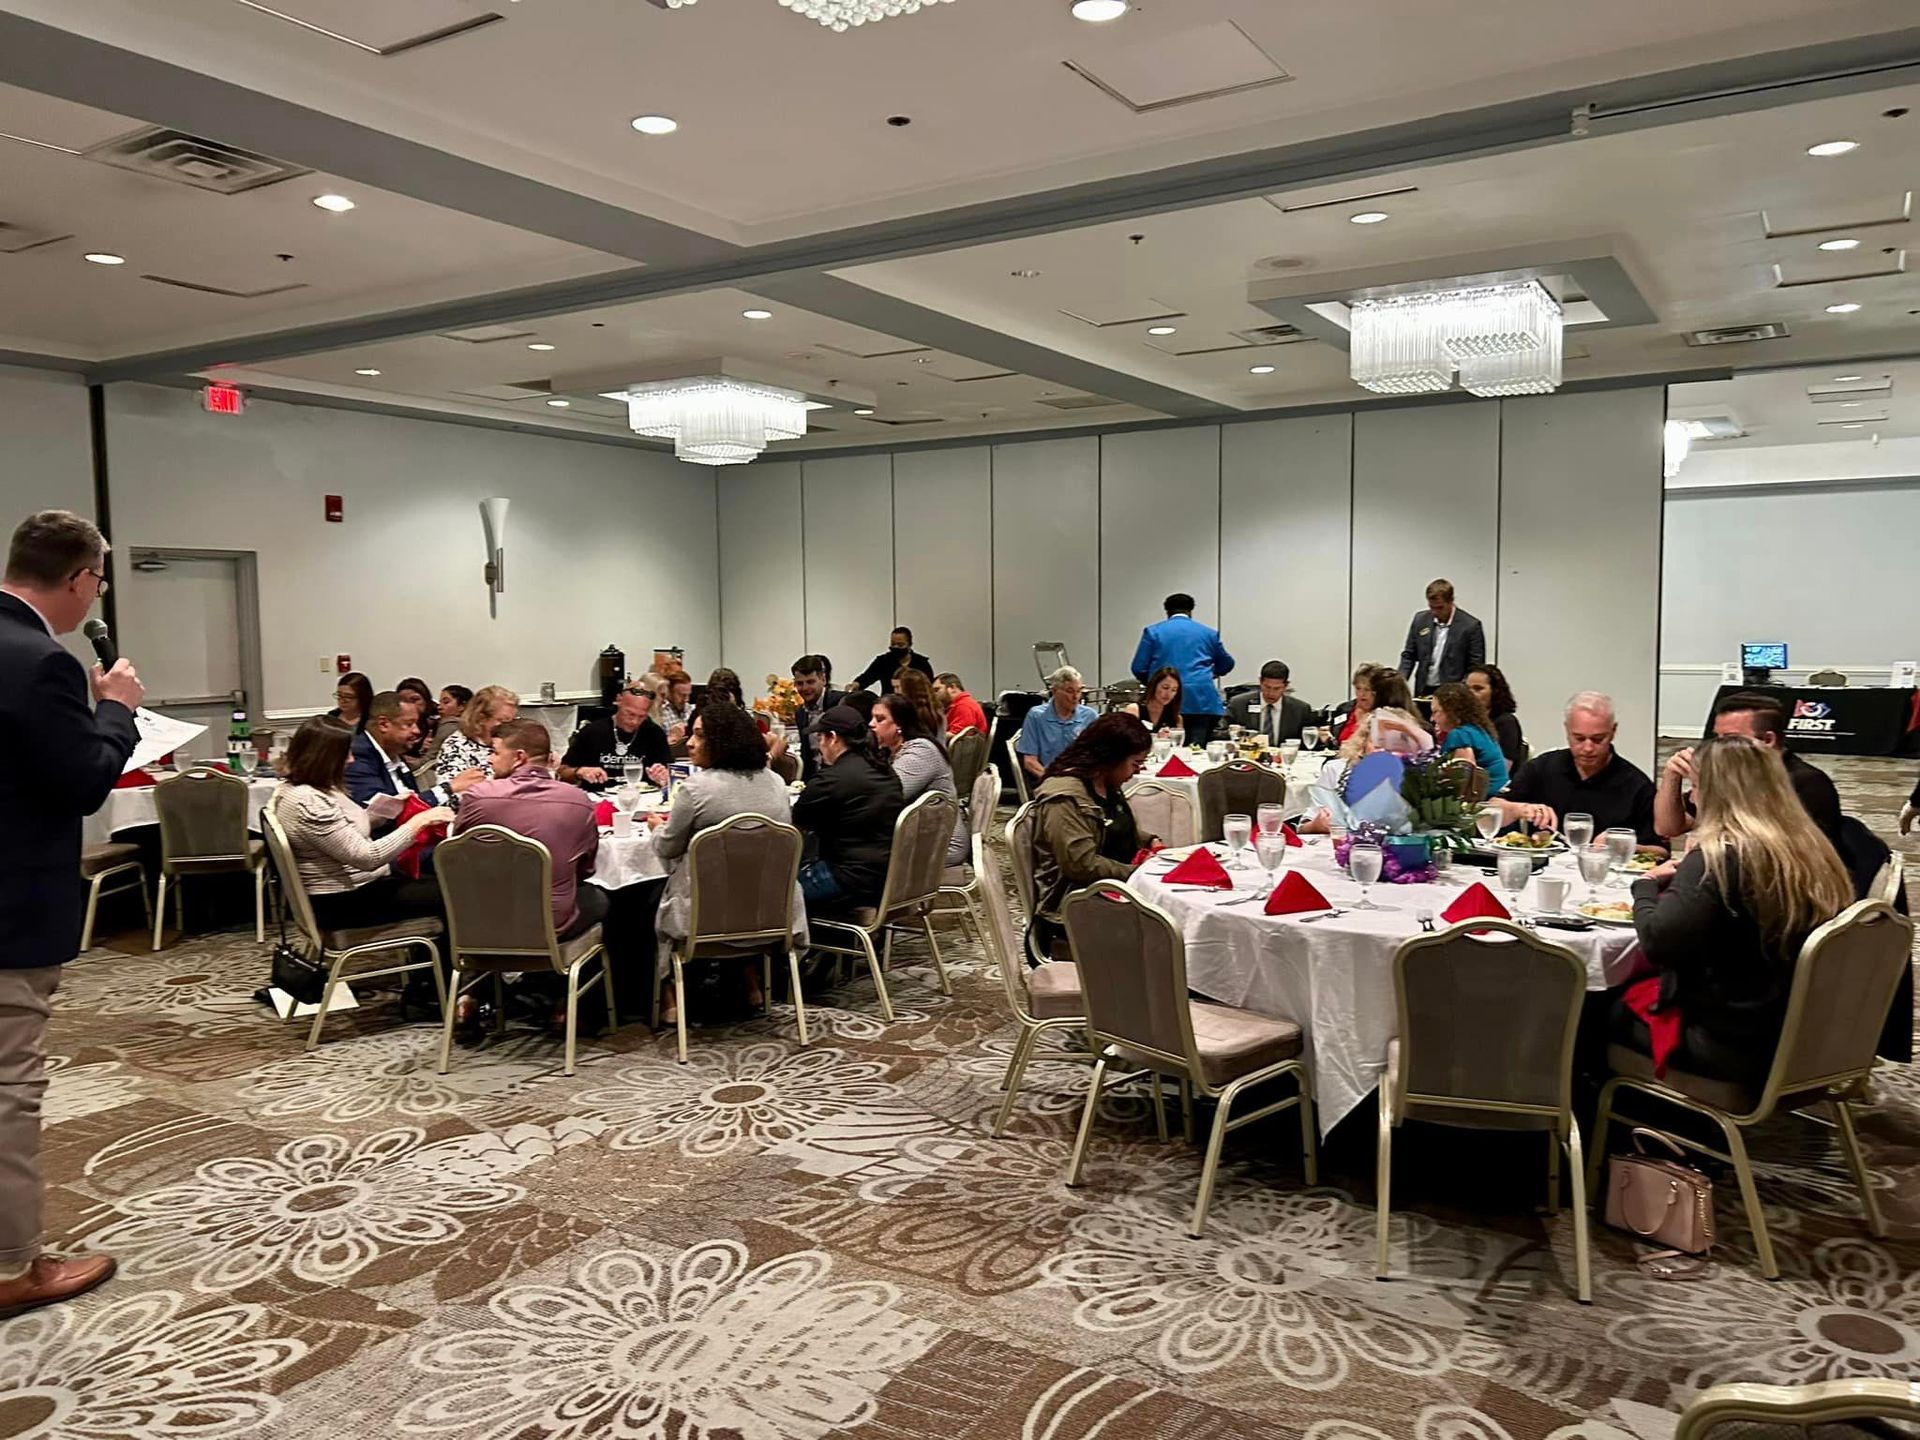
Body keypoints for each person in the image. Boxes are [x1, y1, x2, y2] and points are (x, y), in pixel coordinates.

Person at [0, 510, 143, 1315]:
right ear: (81, 579)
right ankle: (13, 1265)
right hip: (9, 909)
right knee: (8, 1087)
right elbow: (85, 779)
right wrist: (114, 708)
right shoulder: (40, 662)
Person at [1611, 735, 1854, 1087]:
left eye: (1695, 787)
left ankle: (1629, 1126)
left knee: (1596, 1005)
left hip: (1732, 1046)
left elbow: (1657, 941)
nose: (1692, 798)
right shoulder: (1809, 847)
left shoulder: (1721, 857)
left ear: (1715, 792)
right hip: (1805, 1035)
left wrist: (1645, 885)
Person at [648, 703, 803, 1023]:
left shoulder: (696, 789)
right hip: (768, 910)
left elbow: (668, 847)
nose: (689, 742)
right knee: (735, 882)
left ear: (725, 741)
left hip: (705, 918)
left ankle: (670, 996)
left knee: (644, 895)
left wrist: (655, 828)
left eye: (700, 736)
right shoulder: (774, 782)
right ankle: (750, 981)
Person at [270, 717, 453, 933]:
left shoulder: (301, 788)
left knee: (441, 877)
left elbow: (343, 832)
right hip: (339, 903)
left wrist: (390, 809)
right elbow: (368, 858)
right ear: (325, 758)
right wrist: (419, 821)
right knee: (454, 893)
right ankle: (443, 963)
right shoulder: (307, 802)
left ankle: (430, 960)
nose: (350, 760)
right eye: (345, 754)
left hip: (349, 889)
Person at [454, 717, 605, 941]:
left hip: (483, 923)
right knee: (599, 897)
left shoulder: (478, 797)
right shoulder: (579, 801)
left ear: (519, 758)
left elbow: (458, 855)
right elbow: (585, 869)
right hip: (550, 925)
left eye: (495, 752)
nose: (489, 759)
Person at [1027, 713, 1157, 960]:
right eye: (1135, 764)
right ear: (1110, 757)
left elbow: (1110, 827)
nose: (1138, 771)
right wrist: (1138, 873)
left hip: (1111, 895)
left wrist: (1149, 840)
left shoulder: (1103, 783)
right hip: (1073, 912)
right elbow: (1080, 865)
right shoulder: (1065, 798)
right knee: (1172, 937)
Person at [1656, 691, 1844, 851]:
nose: (1719, 747)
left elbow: (1794, 856)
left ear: (1768, 740)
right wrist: (1672, 776)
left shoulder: (1807, 783)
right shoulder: (1730, 773)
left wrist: (1711, 842)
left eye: (1731, 739)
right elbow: (1667, 828)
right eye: (1717, 737)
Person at [1495, 691, 1663, 849]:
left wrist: (1621, 844)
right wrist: (1519, 809)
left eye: (1598, 739)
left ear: (1613, 732)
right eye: (1579, 738)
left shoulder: (1637, 785)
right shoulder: (1542, 767)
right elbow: (1491, 810)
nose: (1588, 748)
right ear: (1567, 730)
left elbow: (1660, 850)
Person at [791, 705, 904, 916]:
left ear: (832, 738)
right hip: (891, 876)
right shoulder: (885, 770)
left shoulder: (831, 780)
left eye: (821, 738)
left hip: (849, 879)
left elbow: (796, 822)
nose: (820, 746)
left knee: (775, 892)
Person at [872, 693, 969, 866]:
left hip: (942, 843)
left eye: (880, 719)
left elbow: (888, 795)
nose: (871, 725)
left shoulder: (921, 751)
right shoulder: (891, 751)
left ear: (899, 725)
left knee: (862, 859)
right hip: (918, 835)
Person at [345, 690, 482, 811]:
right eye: (409, 724)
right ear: (383, 724)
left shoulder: (394, 753)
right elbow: (383, 812)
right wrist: (449, 788)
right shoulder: (356, 756)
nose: (416, 731)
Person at [1129, 593, 1234, 745]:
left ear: (1167, 612)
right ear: (1190, 611)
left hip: (1165, 703)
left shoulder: (1153, 632)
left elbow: (1138, 667)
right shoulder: (1209, 634)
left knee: (1165, 748)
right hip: (1201, 701)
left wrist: (1157, 683)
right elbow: (1227, 663)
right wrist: (1210, 674)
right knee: (1196, 751)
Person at [558, 684, 671, 789]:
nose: (634, 722)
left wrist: (663, 776)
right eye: (630, 714)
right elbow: (562, 772)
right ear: (619, 700)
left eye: (641, 716)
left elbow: (671, 773)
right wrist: (579, 772)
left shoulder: (654, 733)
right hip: (598, 797)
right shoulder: (592, 732)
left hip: (643, 797)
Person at [1398, 579, 1485, 694]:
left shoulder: (1471, 626)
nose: (1434, 612)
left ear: (1451, 602)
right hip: (1423, 689)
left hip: (1454, 692)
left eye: (1439, 608)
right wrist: (1400, 681)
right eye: (1431, 607)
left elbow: (1475, 666)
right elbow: (1409, 655)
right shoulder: (1420, 620)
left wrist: (1461, 691)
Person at [1015, 665, 1099, 780]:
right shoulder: (1036, 716)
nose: (1076, 697)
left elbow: (1098, 757)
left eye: (1079, 691)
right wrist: (1052, 781)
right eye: (1070, 691)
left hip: (1081, 780)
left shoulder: (1090, 716)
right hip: (1048, 779)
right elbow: (1030, 762)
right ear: (1054, 691)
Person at [1429, 681, 1510, 796]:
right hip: (1499, 793)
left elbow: (1461, 781)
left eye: (1435, 712)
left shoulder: (1459, 734)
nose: (1432, 719)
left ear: (1451, 711)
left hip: (1486, 799)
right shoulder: (1479, 730)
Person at [435, 685, 518, 787]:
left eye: (514, 720)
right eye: (504, 721)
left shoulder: (514, 741)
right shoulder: (455, 746)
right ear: (482, 718)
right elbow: (451, 795)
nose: (511, 727)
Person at [1225, 660, 1312, 745]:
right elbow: (1218, 733)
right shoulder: (1239, 704)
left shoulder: (1300, 709)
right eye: (1267, 687)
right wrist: (1234, 733)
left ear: (1286, 685)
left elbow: (1308, 743)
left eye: (1277, 688)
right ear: (1260, 682)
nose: (1271, 693)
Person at [791, 655, 844, 780]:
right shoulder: (800, 713)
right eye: (800, 683)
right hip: (816, 779)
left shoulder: (840, 703)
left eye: (810, 682)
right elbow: (807, 756)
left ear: (823, 680)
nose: (805, 688)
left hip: (840, 778)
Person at [1466, 664, 1526, 772]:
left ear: (1495, 692)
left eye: (1478, 689)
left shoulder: (1506, 723)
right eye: (1467, 689)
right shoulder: (1467, 722)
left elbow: (1503, 769)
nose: (1470, 694)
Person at [851, 626, 933, 692]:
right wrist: (856, 684)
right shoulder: (883, 661)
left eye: (900, 645)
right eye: (893, 644)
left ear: (910, 644)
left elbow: (929, 686)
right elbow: (867, 677)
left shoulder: (921, 663)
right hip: (889, 703)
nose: (896, 647)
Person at [1323, 663, 1378, 748]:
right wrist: (1327, 739)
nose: (1361, 694)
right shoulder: (1344, 709)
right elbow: (1335, 742)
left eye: (1367, 689)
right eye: (1358, 688)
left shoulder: (1384, 714)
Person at [891, 667, 945, 746]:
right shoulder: (937, 710)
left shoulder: (912, 716)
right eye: (894, 687)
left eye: (898, 687)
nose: (895, 692)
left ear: (909, 689)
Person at [1124, 666, 1183, 733]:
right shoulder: (1134, 710)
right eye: (1165, 687)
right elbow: (1129, 739)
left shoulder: (1176, 718)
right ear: (1154, 686)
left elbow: (1177, 741)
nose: (1168, 694)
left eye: (1174, 690)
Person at [422, 684, 471, 765]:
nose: (439, 707)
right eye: (440, 702)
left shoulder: (449, 725)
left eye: (446, 702)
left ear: (462, 706)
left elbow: (428, 759)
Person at [932, 672, 987, 738]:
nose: (933, 695)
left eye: (936, 690)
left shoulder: (964, 706)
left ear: (952, 687)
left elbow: (957, 737)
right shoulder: (956, 705)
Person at [395, 677, 435, 758]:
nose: (410, 705)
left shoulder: (437, 722)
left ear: (426, 700)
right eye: (404, 701)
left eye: (415, 699)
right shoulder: (395, 723)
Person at [657, 668, 695, 751]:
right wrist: (671, 738)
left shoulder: (693, 710)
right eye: (682, 695)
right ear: (669, 692)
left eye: (688, 695)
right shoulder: (659, 712)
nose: (686, 699)